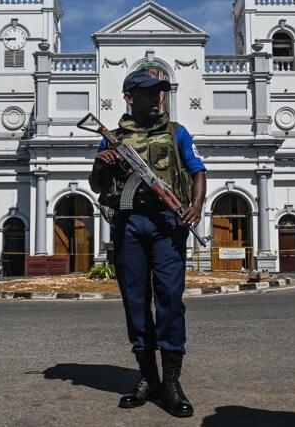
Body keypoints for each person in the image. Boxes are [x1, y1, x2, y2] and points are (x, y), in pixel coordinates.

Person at [88, 69, 206, 418]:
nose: (158, 97)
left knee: (170, 298)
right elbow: (96, 185)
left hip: (167, 224)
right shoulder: (113, 138)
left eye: (161, 91)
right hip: (129, 224)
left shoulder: (176, 133)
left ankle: (171, 381)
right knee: (136, 301)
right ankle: (147, 376)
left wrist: (196, 206)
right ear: (129, 97)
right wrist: (101, 162)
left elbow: (198, 170)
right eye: (149, 91)